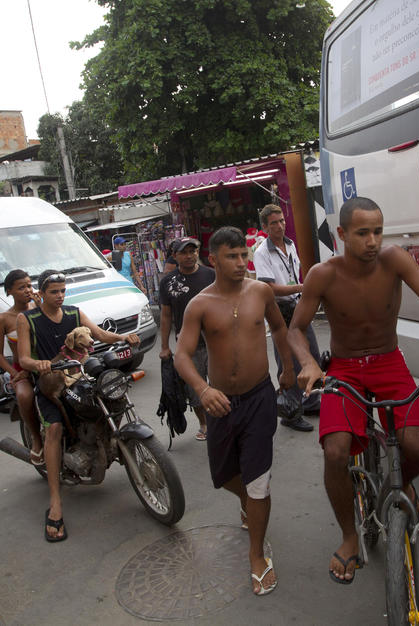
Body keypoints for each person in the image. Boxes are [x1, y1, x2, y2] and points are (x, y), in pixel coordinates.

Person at [289, 196, 419, 584]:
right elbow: (296, 327)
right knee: (335, 451)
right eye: (363, 233)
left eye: (378, 231)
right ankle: (349, 536)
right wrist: (309, 363)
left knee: (416, 447)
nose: (373, 241)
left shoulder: (395, 260)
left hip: (389, 362)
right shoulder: (322, 274)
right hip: (344, 370)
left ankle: (404, 483)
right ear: (342, 234)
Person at [175, 226, 295, 596]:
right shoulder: (200, 304)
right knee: (225, 475)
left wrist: (287, 366)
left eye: (244, 255)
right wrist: (203, 388)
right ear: (214, 259)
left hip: (260, 397)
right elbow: (182, 354)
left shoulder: (260, 291)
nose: (242, 263)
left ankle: (257, 554)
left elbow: (278, 327)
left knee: (258, 481)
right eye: (232, 256)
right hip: (221, 403)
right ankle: (247, 502)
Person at [16, 269, 141, 542]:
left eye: (62, 291)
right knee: (55, 429)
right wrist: (38, 363)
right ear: (42, 293)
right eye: (53, 292)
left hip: (79, 377)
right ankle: (56, 503)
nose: (60, 296)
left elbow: (98, 334)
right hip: (51, 384)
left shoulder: (74, 313)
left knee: (111, 396)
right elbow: (23, 357)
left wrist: (123, 338)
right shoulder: (27, 319)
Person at [252, 204, 315, 432]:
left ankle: (310, 400)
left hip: (298, 305)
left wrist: (300, 288)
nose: (279, 226)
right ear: (265, 227)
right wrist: (301, 286)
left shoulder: (290, 244)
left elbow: (292, 275)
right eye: (273, 223)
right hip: (280, 311)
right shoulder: (261, 253)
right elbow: (269, 288)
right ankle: (291, 412)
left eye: (281, 221)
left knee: (311, 352)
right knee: (288, 362)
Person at [158, 236, 215, 440]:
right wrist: (164, 346)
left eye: (193, 251)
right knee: (194, 390)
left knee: (221, 383)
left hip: (215, 342)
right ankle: (204, 423)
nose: (190, 256)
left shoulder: (211, 275)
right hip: (188, 346)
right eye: (184, 252)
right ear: (175, 256)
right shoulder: (168, 282)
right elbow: (166, 315)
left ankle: (224, 420)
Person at [0, 269, 41, 465]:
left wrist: (41, 308)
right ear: (9, 292)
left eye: (29, 285)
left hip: (45, 364)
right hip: (21, 369)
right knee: (24, 396)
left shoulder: (40, 308)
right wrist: (15, 373)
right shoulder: (3, 319)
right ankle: (36, 439)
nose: (27, 290)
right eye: (21, 287)